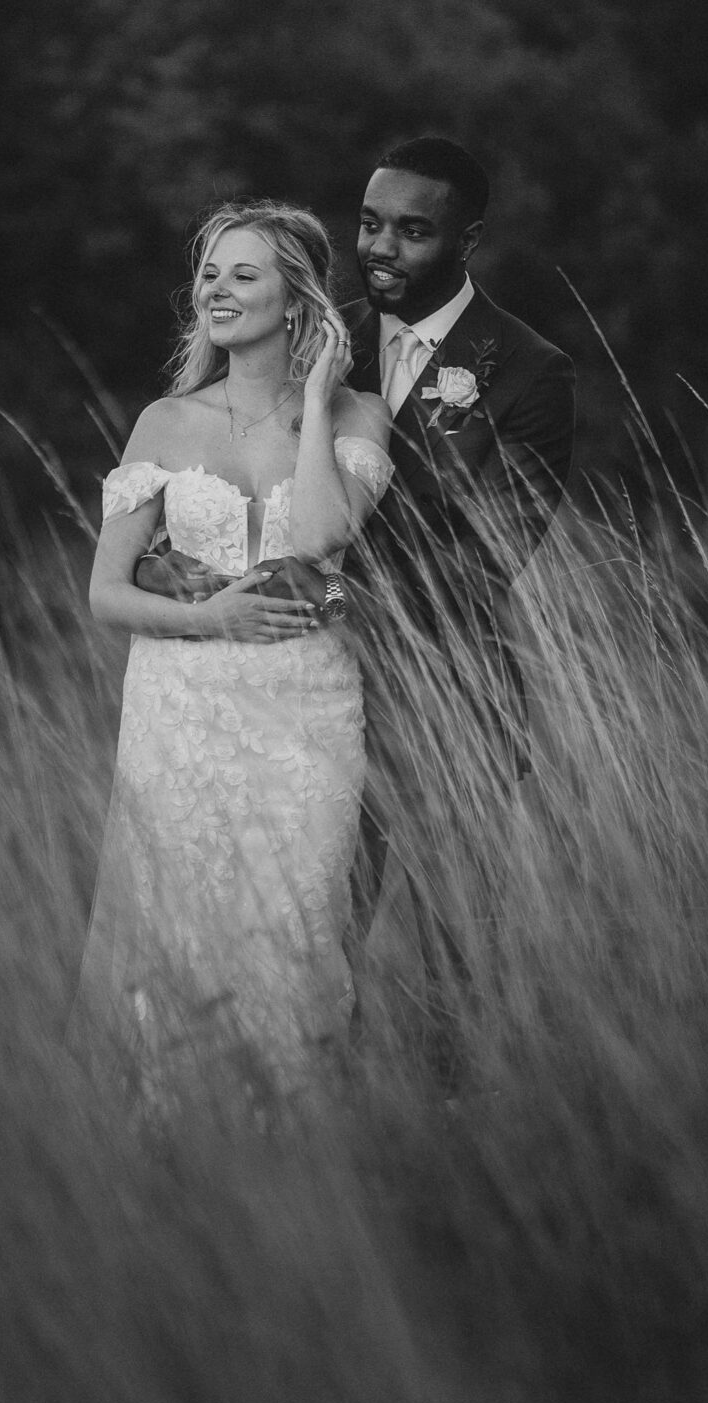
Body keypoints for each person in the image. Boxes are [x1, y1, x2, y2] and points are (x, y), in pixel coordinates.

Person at [138, 139, 576, 994]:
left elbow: (490, 556)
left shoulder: (530, 372)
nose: (380, 247)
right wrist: (178, 564)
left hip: (449, 704)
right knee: (301, 947)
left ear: (468, 238)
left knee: (452, 964)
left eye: (412, 231)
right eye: (370, 223)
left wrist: (312, 585)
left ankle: (449, 1115)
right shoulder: (312, 334)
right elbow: (219, 462)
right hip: (294, 699)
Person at [74, 200, 393, 1089]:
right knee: (182, 924)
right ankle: (182, 1137)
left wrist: (322, 397)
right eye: (209, 272)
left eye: (242, 274)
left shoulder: (357, 415)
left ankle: (297, 1137)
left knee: (298, 926)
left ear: (296, 299)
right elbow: (106, 592)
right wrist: (211, 620)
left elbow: (325, 538)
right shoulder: (166, 422)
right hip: (182, 699)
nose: (215, 289)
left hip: (307, 701)